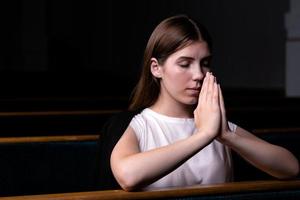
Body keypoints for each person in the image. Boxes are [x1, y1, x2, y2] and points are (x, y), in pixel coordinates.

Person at [110, 15, 299, 191]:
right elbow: (127, 175)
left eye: (205, 63)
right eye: (185, 64)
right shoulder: (141, 125)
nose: (199, 74)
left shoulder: (216, 123)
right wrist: (204, 135)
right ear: (156, 68)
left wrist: (227, 136)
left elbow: (291, 168)